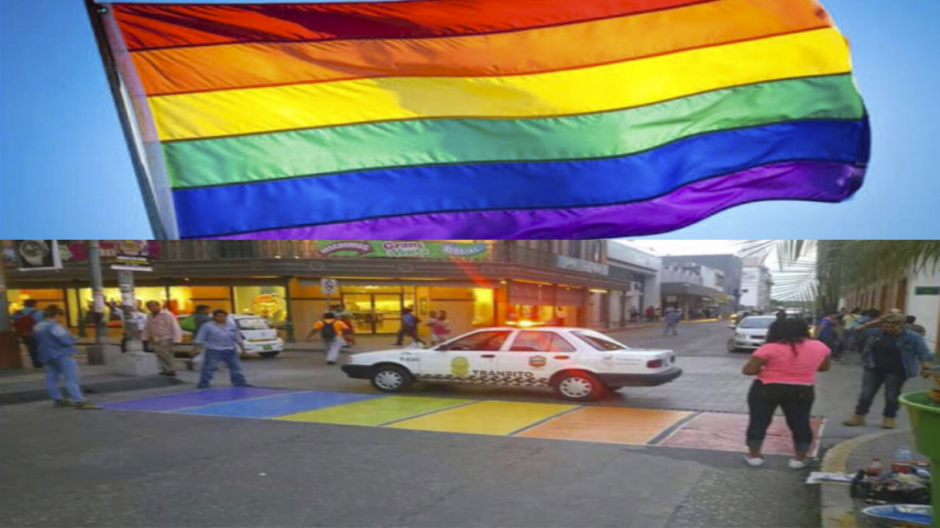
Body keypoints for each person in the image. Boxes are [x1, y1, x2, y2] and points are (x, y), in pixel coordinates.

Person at [741, 318, 830, 468]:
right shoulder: (820, 346)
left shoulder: (769, 348)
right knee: (800, 423)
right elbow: (824, 367)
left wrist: (766, 369)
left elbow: (748, 371)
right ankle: (799, 459)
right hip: (802, 389)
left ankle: (754, 456)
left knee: (759, 421)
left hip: (767, 388)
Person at [843, 312, 934, 429]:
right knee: (866, 394)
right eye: (885, 326)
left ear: (901, 325)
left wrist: (926, 367)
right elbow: (854, 330)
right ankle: (858, 416)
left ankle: (889, 418)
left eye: (892, 327)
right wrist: (875, 321)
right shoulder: (876, 333)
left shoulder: (913, 337)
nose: (888, 329)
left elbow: (924, 353)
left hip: (897, 371)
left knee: (891, 395)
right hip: (873, 368)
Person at [33, 305, 102, 410]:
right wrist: (74, 339)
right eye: (59, 316)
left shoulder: (37, 326)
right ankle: (79, 401)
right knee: (72, 378)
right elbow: (65, 340)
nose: (59, 318)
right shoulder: (54, 326)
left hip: (45, 355)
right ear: (55, 315)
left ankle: (58, 399)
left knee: (51, 378)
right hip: (61, 354)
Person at [193, 310, 251, 389]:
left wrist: (243, 349)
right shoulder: (207, 326)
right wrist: (195, 348)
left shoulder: (231, 326)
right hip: (214, 349)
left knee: (236, 367)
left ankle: (239, 383)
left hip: (230, 349)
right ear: (214, 317)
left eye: (223, 316)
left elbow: (238, 337)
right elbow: (200, 337)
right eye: (219, 316)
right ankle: (204, 383)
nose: (221, 318)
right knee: (209, 367)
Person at [142, 300, 183, 377]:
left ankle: (170, 370)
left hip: (166, 338)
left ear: (158, 306)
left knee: (166, 355)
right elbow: (147, 328)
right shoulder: (150, 316)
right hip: (155, 339)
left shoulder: (167, 315)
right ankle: (165, 369)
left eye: (153, 306)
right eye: (149, 307)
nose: (151, 308)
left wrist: (177, 339)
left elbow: (175, 327)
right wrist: (145, 338)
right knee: (160, 355)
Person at [13, 299, 44, 369]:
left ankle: (35, 361)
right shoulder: (40, 312)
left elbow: (15, 322)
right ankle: (39, 361)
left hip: (24, 333)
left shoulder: (17, 313)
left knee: (30, 347)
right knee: (39, 347)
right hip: (37, 333)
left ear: (24, 304)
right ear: (34, 304)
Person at [184, 305, 213, 371]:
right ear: (202, 310)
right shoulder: (206, 318)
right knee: (204, 352)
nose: (209, 311)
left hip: (196, 336)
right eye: (208, 310)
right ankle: (192, 362)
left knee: (200, 351)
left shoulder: (193, 316)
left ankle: (194, 362)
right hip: (205, 338)